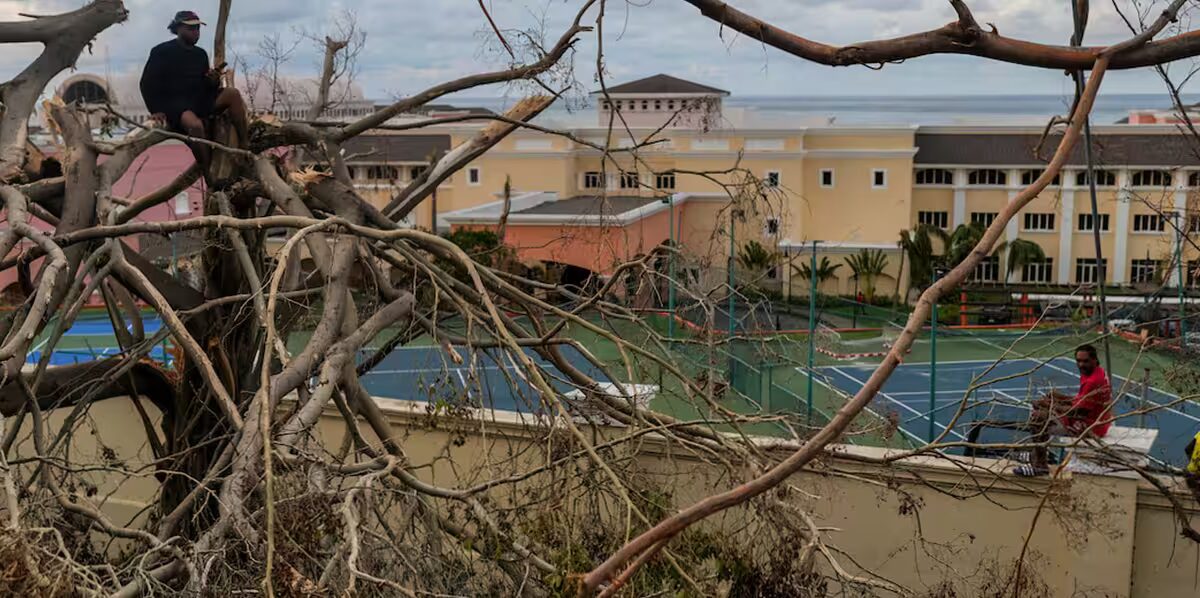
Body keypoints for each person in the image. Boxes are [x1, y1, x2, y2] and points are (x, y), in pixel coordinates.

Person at [139, 10, 248, 174]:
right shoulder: (161, 51)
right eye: (191, 29)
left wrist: (213, 80)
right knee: (194, 125)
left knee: (233, 94)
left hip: (199, 99)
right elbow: (147, 83)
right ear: (178, 29)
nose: (196, 32)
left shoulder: (200, 54)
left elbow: (205, 86)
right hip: (176, 104)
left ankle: (245, 143)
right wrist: (156, 110)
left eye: (197, 28)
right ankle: (206, 168)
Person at [1013, 344, 1114, 477]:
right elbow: (1083, 401)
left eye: (1085, 361)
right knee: (1050, 398)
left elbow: (1079, 412)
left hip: (1089, 426)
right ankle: (1037, 453)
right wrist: (1057, 398)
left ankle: (1040, 466)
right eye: (1078, 361)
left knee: (1038, 418)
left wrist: (1051, 405)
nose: (1081, 365)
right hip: (1096, 419)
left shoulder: (1093, 381)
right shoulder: (1096, 371)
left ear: (1094, 360)